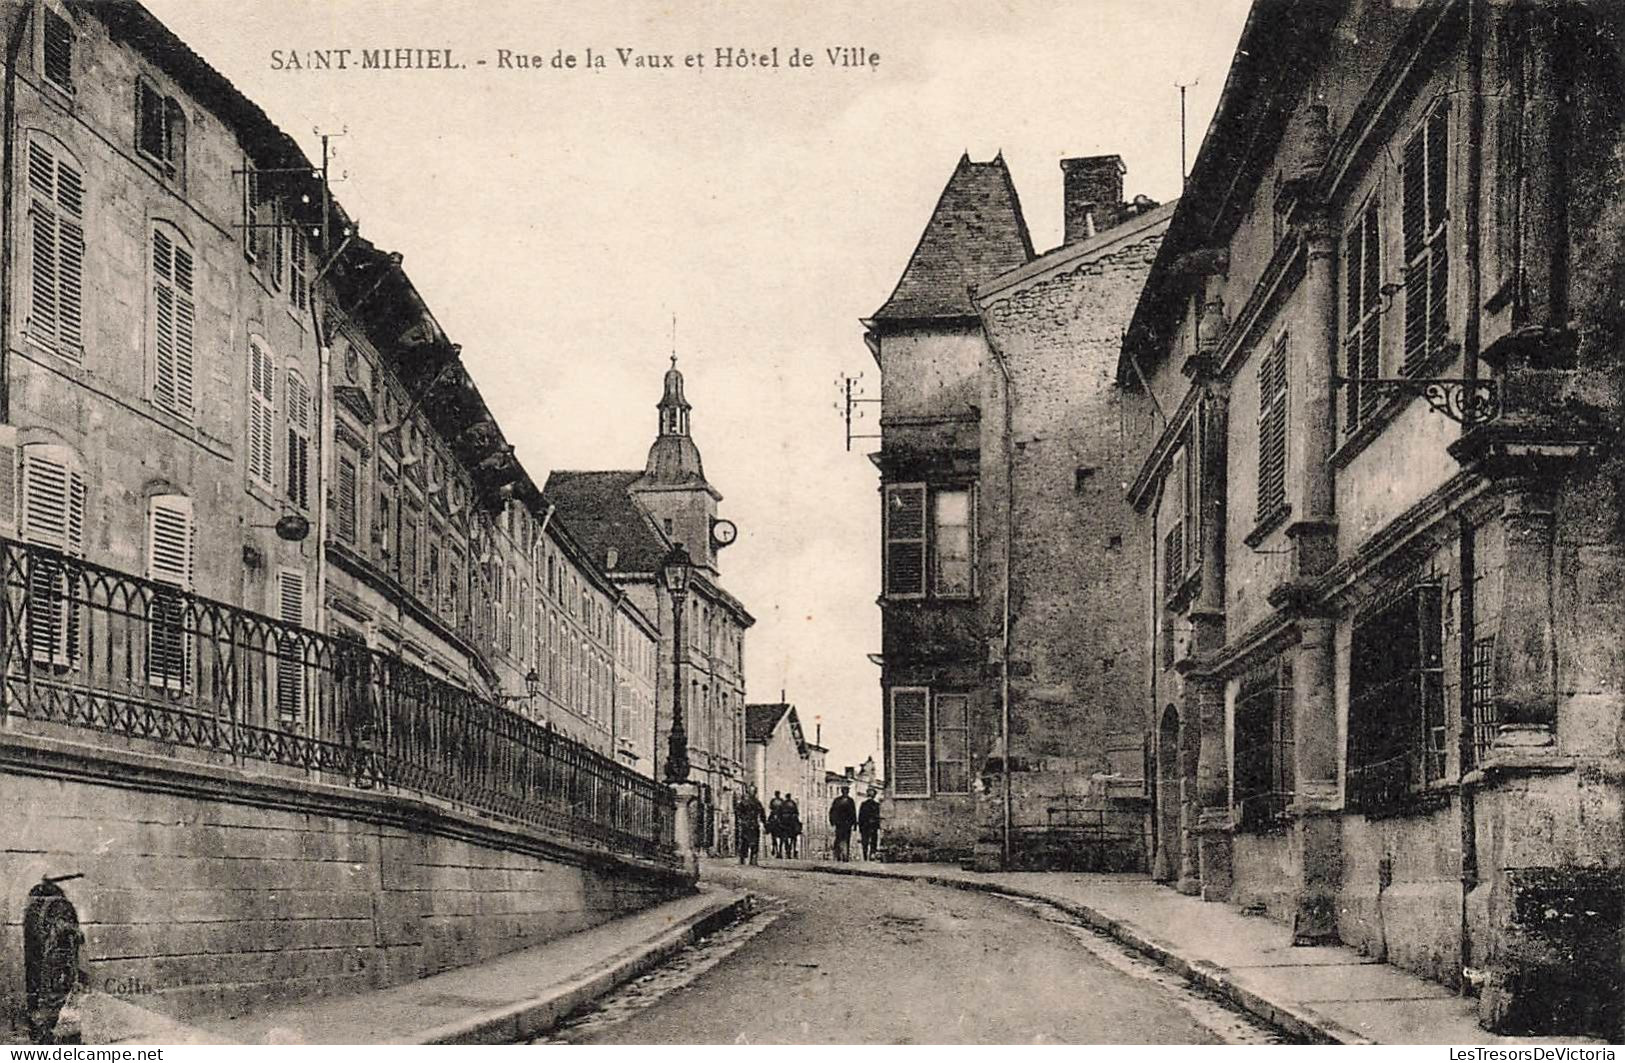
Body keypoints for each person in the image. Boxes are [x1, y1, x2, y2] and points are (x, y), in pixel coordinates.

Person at [735, 785, 767, 865]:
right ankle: (742, 858)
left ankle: (753, 859)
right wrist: (742, 819)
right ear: (748, 792)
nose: (752, 793)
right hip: (747, 824)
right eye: (751, 791)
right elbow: (738, 811)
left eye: (754, 791)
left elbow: (762, 813)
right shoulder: (744, 802)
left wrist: (764, 822)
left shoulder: (757, 802)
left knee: (754, 842)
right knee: (744, 841)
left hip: (753, 824)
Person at [829, 786, 857, 862]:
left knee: (847, 839)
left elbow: (853, 813)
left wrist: (854, 824)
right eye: (844, 791)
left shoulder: (850, 801)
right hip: (839, 823)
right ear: (842, 791)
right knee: (838, 838)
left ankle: (846, 856)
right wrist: (832, 821)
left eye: (846, 791)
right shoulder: (837, 801)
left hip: (848, 823)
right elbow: (832, 811)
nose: (845, 792)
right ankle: (838, 855)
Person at [858, 790, 882, 860]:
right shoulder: (876, 805)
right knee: (872, 841)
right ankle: (871, 855)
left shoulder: (864, 804)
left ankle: (865, 855)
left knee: (865, 841)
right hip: (872, 826)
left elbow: (860, 816)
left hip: (866, 826)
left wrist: (860, 826)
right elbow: (878, 816)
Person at [782, 794, 802, 859]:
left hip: (785, 819)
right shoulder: (792, 803)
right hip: (791, 818)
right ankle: (798, 830)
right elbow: (796, 811)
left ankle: (787, 850)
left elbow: (779, 811)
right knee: (797, 823)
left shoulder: (784, 803)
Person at [767, 791, 784, 858]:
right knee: (769, 820)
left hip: (776, 813)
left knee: (770, 820)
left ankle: (768, 829)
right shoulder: (781, 801)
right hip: (779, 814)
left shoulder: (773, 800)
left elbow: (770, 807)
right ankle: (779, 850)